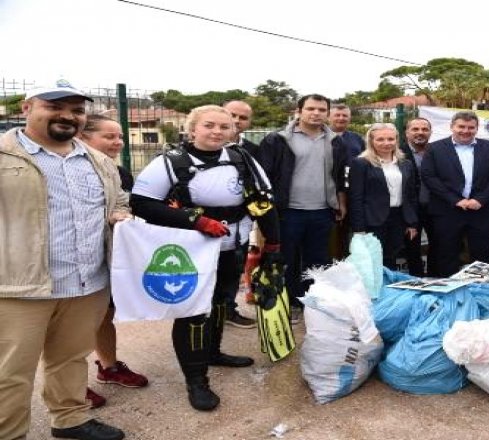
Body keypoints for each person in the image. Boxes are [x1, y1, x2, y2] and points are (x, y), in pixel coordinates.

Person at [130, 105, 281, 412]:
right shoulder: (169, 163)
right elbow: (141, 203)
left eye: (224, 127)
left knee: (222, 302)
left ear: (233, 132)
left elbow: (263, 202)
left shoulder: (243, 159)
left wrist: (274, 245)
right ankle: (196, 380)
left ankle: (213, 353)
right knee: (194, 312)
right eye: (209, 125)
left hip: (232, 245)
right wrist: (194, 221)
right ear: (192, 128)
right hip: (191, 250)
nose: (217, 132)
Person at [0, 80, 127, 440]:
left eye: (76, 110)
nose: (68, 116)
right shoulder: (5, 152)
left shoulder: (98, 160)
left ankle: (69, 419)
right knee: (9, 372)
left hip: (87, 282)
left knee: (71, 358)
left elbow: (118, 200)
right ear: (27, 109)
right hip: (18, 286)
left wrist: (119, 214)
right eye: (55, 106)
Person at [77, 115, 149, 410]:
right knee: (68, 328)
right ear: (83, 137)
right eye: (109, 137)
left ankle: (109, 367)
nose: (118, 142)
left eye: (120, 136)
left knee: (104, 315)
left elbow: (122, 205)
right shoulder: (66, 169)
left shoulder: (117, 171)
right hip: (67, 262)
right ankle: (71, 387)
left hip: (104, 257)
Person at [255, 94, 347, 323]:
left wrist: (340, 202)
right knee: (287, 259)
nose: (316, 113)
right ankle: (290, 303)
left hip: (322, 210)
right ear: (299, 111)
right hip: (288, 211)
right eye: (311, 109)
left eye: (321, 109)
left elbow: (340, 175)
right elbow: (265, 177)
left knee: (317, 260)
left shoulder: (335, 141)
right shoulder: (277, 140)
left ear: (327, 113)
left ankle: (312, 302)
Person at [420, 110, 489, 277]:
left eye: (471, 127)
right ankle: (449, 293)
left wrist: (480, 199)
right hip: (447, 211)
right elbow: (429, 177)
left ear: (477, 128)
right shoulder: (434, 148)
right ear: (452, 127)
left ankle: (481, 292)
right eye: (461, 126)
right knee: (446, 254)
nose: (466, 131)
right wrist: (456, 200)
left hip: (481, 211)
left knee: (482, 255)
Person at [348, 123, 418, 268]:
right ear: (371, 141)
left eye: (390, 139)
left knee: (391, 258)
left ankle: (387, 289)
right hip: (372, 220)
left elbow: (410, 196)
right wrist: (358, 228)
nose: (386, 143)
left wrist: (411, 223)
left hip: (398, 219)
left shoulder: (406, 164)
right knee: (373, 262)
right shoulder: (361, 163)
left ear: (397, 141)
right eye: (380, 139)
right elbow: (356, 198)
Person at [219, 100, 260, 327]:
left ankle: (228, 309)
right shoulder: (190, 149)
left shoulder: (253, 151)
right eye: (231, 114)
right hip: (204, 222)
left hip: (240, 221)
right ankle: (201, 313)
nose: (236, 121)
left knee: (234, 265)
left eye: (242, 117)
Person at [328, 104, 364, 261]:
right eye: (337, 115)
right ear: (329, 117)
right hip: (330, 192)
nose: (341, 118)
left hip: (353, 192)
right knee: (332, 237)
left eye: (344, 115)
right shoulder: (323, 137)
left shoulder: (356, 139)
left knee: (352, 234)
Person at [400, 117, 433, 276]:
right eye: (415, 129)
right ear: (407, 132)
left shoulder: (438, 151)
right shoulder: (397, 152)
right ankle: (416, 280)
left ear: (430, 132)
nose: (420, 133)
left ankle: (436, 279)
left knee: (439, 246)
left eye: (424, 129)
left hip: (435, 209)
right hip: (408, 210)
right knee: (411, 248)